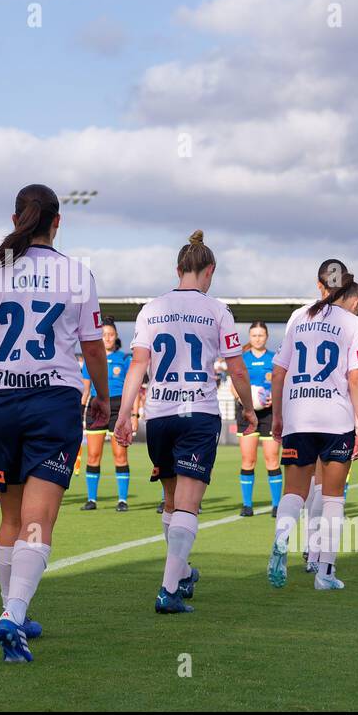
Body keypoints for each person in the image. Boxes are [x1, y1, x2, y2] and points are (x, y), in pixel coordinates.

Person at [0, 183, 108, 663]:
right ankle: (14, 615)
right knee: (39, 519)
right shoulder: (78, 272)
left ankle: (14, 609)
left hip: (0, 402)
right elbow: (94, 347)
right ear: (58, 222)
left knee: (11, 517)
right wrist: (102, 397)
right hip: (52, 401)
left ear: (17, 220)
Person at [115, 231, 257, 613]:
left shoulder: (151, 309)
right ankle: (168, 592)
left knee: (171, 501)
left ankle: (181, 574)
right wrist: (248, 408)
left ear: (178, 269)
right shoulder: (217, 310)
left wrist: (126, 414)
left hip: (159, 415)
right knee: (188, 506)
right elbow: (237, 367)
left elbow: (139, 364)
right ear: (209, 271)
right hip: (197, 413)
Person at [266, 259, 358, 591]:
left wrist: (280, 415)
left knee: (294, 492)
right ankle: (325, 573)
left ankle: (281, 541)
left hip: (298, 412)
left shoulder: (299, 317)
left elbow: (280, 371)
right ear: (347, 286)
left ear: (320, 284)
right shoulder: (353, 323)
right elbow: (356, 377)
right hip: (334, 416)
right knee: (333, 498)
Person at [80, 316, 133, 511]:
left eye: (111, 334)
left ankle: (122, 500)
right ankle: (91, 499)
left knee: (120, 455)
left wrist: (132, 415)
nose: (108, 338)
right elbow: (85, 390)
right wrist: (79, 414)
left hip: (118, 408)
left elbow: (131, 388)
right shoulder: (91, 359)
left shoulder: (125, 358)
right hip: (96, 407)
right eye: (104, 335)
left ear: (116, 336)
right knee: (93, 455)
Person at [235, 322, 282, 518]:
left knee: (272, 459)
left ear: (267, 337)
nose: (257, 339)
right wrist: (246, 401)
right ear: (249, 336)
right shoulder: (242, 359)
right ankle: (247, 505)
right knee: (248, 459)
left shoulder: (274, 359)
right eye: (254, 335)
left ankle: (277, 506)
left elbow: (281, 383)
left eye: (261, 335)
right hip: (247, 412)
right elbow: (234, 384)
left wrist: (274, 398)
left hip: (269, 413)